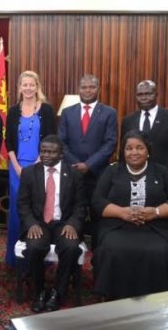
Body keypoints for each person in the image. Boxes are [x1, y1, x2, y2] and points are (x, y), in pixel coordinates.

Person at [91, 130, 168, 299]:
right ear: (123, 151)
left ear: (148, 151)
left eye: (139, 148)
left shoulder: (162, 171)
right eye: (129, 148)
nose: (134, 152)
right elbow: (97, 201)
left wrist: (154, 212)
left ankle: (156, 298)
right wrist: (122, 213)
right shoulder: (112, 171)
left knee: (159, 251)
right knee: (111, 249)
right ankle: (113, 296)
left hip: (154, 228)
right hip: (117, 227)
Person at [17, 135, 87, 312]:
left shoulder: (74, 174)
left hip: (64, 223)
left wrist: (73, 224)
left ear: (61, 153)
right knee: (33, 248)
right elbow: (23, 204)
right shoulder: (29, 172)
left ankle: (58, 292)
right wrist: (31, 223)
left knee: (71, 248)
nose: (46, 155)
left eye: (51, 151)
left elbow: (80, 206)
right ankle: (39, 292)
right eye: (43, 151)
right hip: (39, 223)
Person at [57, 74, 117, 246]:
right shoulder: (68, 113)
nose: (88, 90)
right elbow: (62, 141)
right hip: (72, 173)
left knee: (98, 214)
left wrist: (88, 165)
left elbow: (110, 143)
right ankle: (74, 252)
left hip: (98, 174)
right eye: (84, 87)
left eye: (92, 87)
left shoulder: (109, 113)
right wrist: (76, 165)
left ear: (98, 89)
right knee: (72, 212)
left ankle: (98, 254)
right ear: (79, 89)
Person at [5, 70, 56, 266]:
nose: (28, 88)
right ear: (19, 88)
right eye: (24, 85)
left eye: (31, 85)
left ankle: (41, 258)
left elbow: (51, 139)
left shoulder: (46, 110)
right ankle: (16, 259)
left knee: (39, 208)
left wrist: (38, 163)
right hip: (17, 167)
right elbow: (8, 141)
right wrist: (17, 166)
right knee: (19, 209)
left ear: (37, 87)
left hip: (41, 165)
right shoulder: (13, 111)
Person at [120, 80, 168, 186]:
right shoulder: (128, 120)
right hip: (133, 181)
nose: (144, 98)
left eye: (148, 94)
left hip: (163, 181)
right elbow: (123, 154)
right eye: (140, 95)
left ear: (156, 95)